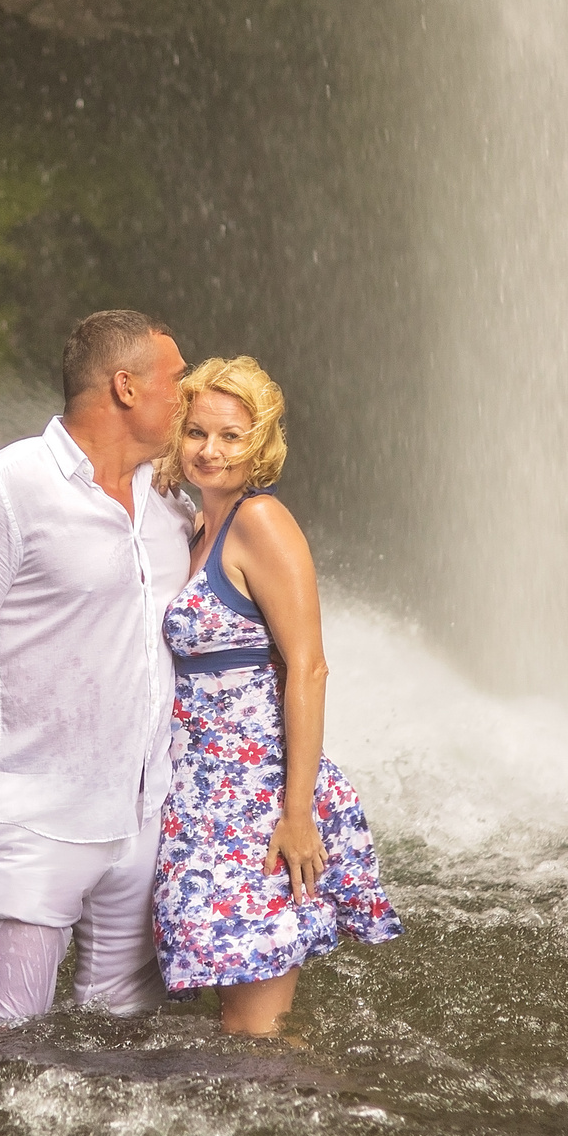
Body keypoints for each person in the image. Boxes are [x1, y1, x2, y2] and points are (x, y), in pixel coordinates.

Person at [0, 310, 193, 1024]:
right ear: (126, 387)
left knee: (123, 1043)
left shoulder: (171, 502)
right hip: (34, 820)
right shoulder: (5, 487)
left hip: (145, 817)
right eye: (177, 381)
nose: (190, 395)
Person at [154, 355, 400, 1035]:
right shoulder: (195, 527)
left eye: (231, 436)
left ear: (260, 444)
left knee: (255, 1034)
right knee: (232, 1025)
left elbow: (309, 667)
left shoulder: (260, 521)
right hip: (204, 803)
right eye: (196, 431)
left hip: (257, 805)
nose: (210, 449)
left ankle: (328, 1128)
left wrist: (297, 814)